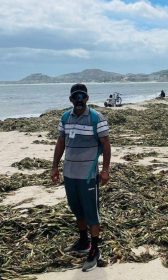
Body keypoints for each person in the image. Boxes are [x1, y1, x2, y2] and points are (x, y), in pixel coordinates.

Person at [51, 83, 111, 272]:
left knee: (92, 212)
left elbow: (106, 144)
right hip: (69, 173)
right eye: (75, 97)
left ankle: (94, 249)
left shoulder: (96, 118)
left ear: (87, 98)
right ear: (70, 99)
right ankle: (83, 240)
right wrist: (54, 167)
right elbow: (61, 141)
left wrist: (105, 170)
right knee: (76, 209)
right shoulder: (65, 117)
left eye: (82, 97)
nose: (78, 100)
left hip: (87, 175)